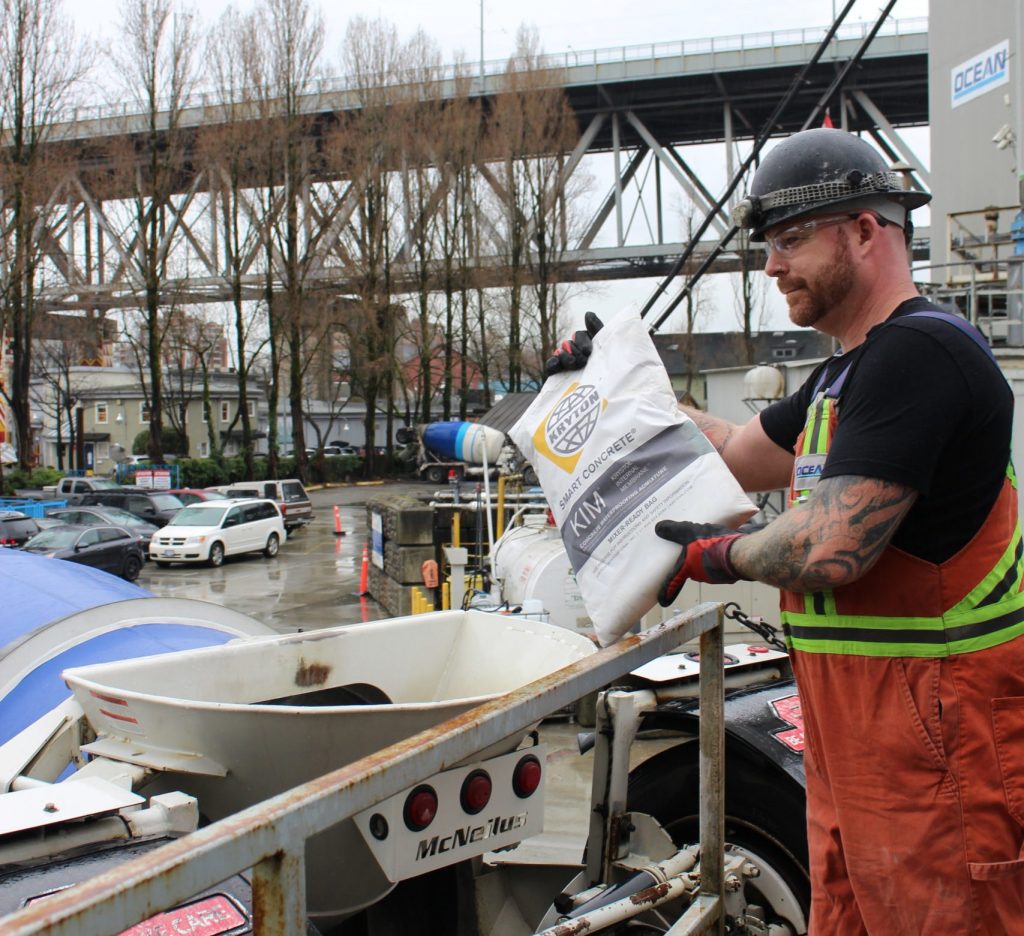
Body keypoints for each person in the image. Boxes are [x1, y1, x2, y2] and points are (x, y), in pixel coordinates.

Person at [547, 128, 1024, 935]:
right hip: (858, 753)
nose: (770, 266)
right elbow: (734, 451)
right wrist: (614, 388)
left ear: (866, 231)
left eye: (790, 240)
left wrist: (714, 555)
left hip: (938, 754)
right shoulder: (846, 373)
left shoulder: (921, 355)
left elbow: (831, 548)